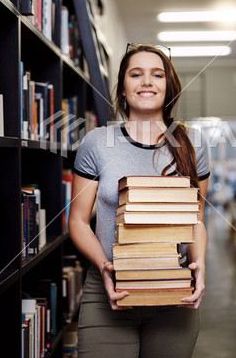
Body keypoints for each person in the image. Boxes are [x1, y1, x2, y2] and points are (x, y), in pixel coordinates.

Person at [69, 43, 210, 358]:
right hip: (111, 289)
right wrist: (104, 267)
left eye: (157, 74)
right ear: (122, 89)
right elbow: (77, 221)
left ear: (168, 86)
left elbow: (196, 220)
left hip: (174, 293)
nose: (147, 81)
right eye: (136, 74)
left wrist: (199, 265)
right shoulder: (96, 143)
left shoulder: (194, 144)